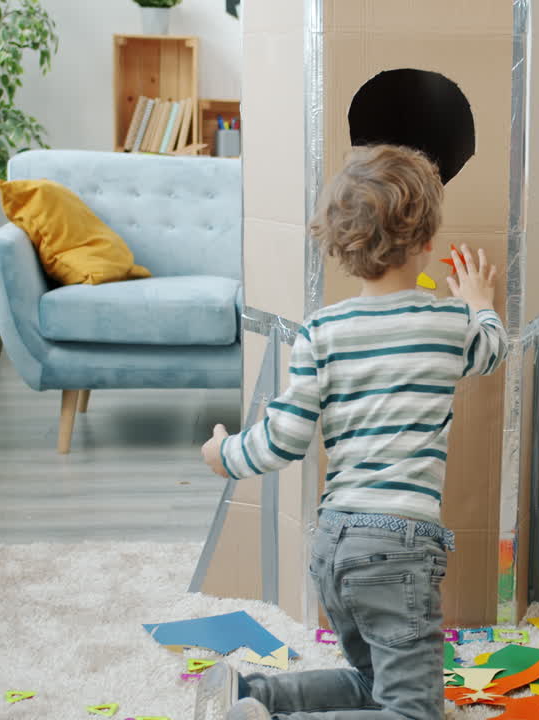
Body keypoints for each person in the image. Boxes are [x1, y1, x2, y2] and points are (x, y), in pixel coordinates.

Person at [195, 144, 506, 720]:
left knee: (372, 684)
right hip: (398, 549)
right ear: (427, 242)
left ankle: (250, 697)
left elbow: (284, 437)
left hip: (334, 543)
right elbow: (492, 352)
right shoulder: (449, 323)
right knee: (413, 713)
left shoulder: (321, 331)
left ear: (341, 248)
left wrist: (224, 454)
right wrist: (480, 304)